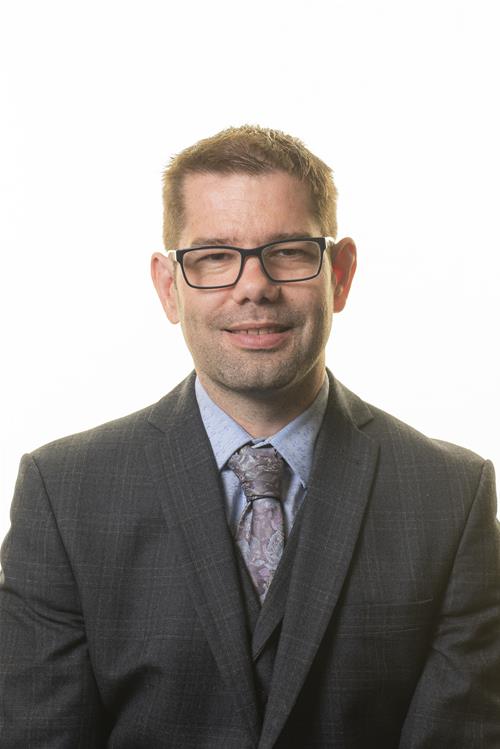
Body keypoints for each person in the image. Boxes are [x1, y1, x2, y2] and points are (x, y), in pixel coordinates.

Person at [1, 125, 499, 749]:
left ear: (341, 274)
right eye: (214, 256)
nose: (253, 285)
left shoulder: (451, 496)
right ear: (169, 287)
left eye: (287, 251)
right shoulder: (63, 494)